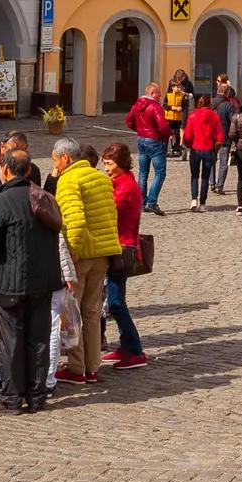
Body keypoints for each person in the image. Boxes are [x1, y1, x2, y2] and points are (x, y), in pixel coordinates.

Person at [0, 147, 65, 414]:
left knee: (12, 341)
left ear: (5, 169)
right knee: (38, 338)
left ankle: (12, 397)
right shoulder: (44, 197)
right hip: (42, 281)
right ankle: (36, 395)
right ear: (28, 170)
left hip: (10, 284)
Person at [54, 138, 119, 381]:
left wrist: (72, 251)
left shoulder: (69, 180)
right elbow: (111, 215)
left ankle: (76, 368)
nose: (55, 165)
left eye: (56, 160)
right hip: (102, 253)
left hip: (82, 255)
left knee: (73, 313)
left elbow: (75, 221)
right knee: (92, 312)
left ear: (66, 158)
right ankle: (92, 367)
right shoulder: (101, 177)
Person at [100, 143, 149, 368]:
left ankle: (135, 350)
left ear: (120, 163)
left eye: (109, 164)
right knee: (116, 301)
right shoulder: (121, 182)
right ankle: (126, 346)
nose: (106, 169)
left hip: (123, 249)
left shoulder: (125, 187)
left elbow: (109, 212)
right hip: (121, 246)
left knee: (116, 303)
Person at [125, 85, 171, 215]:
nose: (160, 96)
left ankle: (141, 203)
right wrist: (167, 135)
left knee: (143, 173)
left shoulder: (136, 105)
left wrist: (140, 130)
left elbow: (129, 121)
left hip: (142, 140)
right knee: (160, 173)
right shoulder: (155, 107)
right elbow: (163, 126)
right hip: (155, 141)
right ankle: (152, 202)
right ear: (152, 93)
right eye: (158, 93)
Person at [182, 91, 225, 210]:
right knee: (205, 177)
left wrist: (189, 145)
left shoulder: (192, 116)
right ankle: (202, 203)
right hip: (209, 149)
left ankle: (193, 200)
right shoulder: (215, 116)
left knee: (194, 175)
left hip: (195, 148)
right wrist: (215, 148)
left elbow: (187, 136)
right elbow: (220, 137)